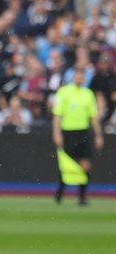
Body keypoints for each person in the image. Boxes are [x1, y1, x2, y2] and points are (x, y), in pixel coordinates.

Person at [52, 68, 104, 205]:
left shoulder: (88, 94)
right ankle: (59, 194)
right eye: (77, 76)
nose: (79, 78)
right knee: (67, 166)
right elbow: (57, 115)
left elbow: (93, 117)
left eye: (82, 76)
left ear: (85, 79)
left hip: (83, 132)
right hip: (68, 132)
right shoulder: (64, 92)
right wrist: (57, 133)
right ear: (73, 77)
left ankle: (82, 197)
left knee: (85, 165)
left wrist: (98, 135)